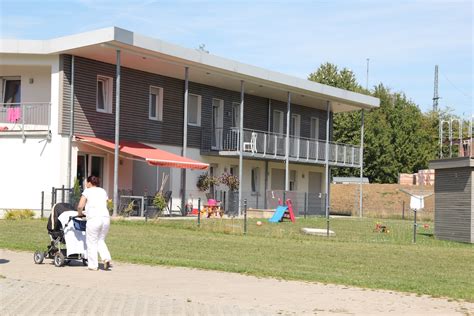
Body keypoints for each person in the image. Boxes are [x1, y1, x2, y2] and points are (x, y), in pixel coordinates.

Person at [77, 175, 112, 271]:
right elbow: (104, 204)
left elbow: (80, 206)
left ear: (89, 183)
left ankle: (93, 265)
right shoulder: (103, 191)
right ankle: (106, 258)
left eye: (86, 182)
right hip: (105, 218)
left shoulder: (87, 191)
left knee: (91, 242)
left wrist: (80, 214)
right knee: (100, 240)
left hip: (94, 219)